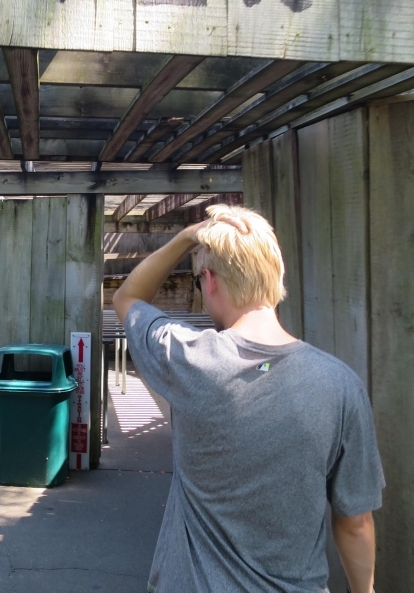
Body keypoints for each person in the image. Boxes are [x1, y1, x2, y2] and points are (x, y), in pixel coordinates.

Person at [112, 204, 383, 593]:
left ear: (210, 280)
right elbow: (356, 523)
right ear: (276, 277)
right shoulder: (341, 385)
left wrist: (187, 236)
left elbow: (128, 296)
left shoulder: (188, 357)